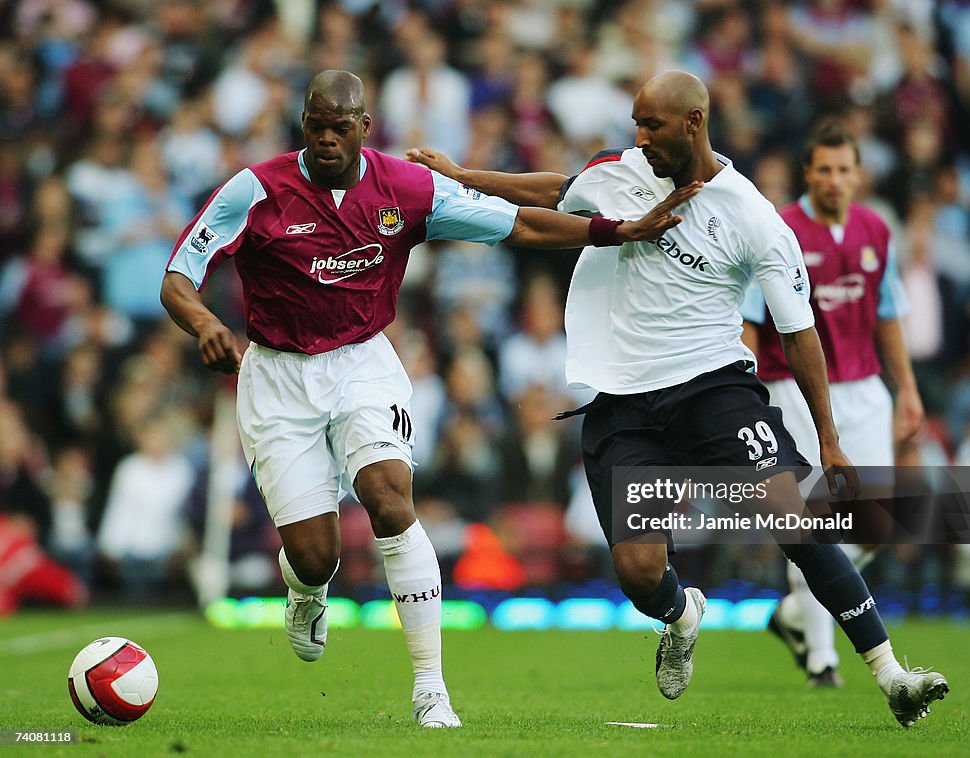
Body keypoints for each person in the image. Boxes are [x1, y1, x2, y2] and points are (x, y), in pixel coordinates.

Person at [408, 70, 948, 727]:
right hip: (625, 401)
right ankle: (681, 612)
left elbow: (799, 333)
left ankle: (892, 675)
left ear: (693, 122)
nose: (639, 137)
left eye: (652, 125)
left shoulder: (752, 216)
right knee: (639, 574)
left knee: (793, 519)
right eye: (635, 123)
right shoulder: (624, 169)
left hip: (712, 386)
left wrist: (828, 439)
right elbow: (556, 188)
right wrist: (465, 175)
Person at [160, 70, 692, 729]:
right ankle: (305, 592)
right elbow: (180, 275)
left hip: (362, 362)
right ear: (303, 124)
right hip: (277, 375)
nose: (325, 138)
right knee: (314, 553)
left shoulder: (406, 189)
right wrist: (208, 324)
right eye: (314, 126)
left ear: (364, 127)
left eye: (339, 126)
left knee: (388, 495)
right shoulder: (258, 189)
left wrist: (613, 232)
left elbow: (518, 226)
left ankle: (430, 688)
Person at [740, 124, 924, 688]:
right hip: (793, 387)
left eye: (845, 169)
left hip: (865, 386)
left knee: (878, 524)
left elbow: (887, 313)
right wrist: (747, 390)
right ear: (808, 173)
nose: (835, 180)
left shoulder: (875, 230)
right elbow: (751, 319)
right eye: (825, 169)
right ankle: (823, 661)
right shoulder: (780, 229)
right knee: (820, 521)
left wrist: (908, 389)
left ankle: (796, 611)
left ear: (859, 175)